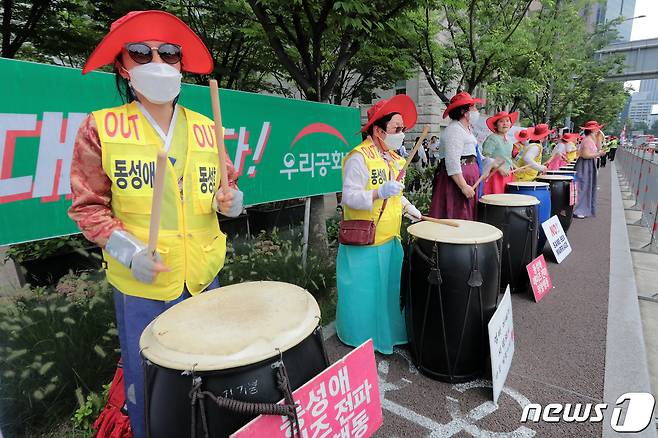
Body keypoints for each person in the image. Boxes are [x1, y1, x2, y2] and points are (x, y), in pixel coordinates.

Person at [67, 11, 243, 437]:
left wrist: (232, 203)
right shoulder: (101, 128)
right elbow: (87, 207)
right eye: (141, 53)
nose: (157, 63)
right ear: (123, 67)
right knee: (153, 385)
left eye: (169, 54)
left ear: (181, 65)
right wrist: (127, 252)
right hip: (142, 285)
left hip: (203, 277)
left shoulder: (207, 128)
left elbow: (226, 187)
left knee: (207, 372)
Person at [336, 94, 421, 354]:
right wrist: (378, 193)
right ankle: (359, 336)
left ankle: (388, 334)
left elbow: (396, 193)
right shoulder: (358, 157)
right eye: (396, 129)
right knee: (363, 293)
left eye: (403, 129)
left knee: (388, 291)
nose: (401, 134)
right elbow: (349, 197)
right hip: (364, 240)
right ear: (378, 129)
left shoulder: (395, 159)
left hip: (390, 237)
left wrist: (407, 207)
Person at [430, 92, 484, 220]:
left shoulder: (467, 130)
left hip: (469, 178)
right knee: (457, 214)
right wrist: (463, 186)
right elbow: (452, 162)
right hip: (457, 182)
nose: (476, 111)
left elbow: (473, 153)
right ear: (465, 112)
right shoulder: (454, 130)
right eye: (474, 107)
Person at [574, 121, 606, 218]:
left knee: (585, 186)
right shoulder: (587, 140)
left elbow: (598, 147)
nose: (598, 130)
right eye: (597, 128)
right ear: (592, 130)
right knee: (583, 186)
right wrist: (599, 154)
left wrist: (599, 139)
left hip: (587, 165)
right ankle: (579, 210)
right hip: (585, 165)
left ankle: (582, 209)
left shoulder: (590, 139)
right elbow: (585, 155)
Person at [481, 111, 518, 194]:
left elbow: (507, 157)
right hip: (495, 176)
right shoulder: (492, 138)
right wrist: (499, 168)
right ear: (496, 125)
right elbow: (485, 157)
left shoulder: (509, 140)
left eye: (507, 121)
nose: (505, 124)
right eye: (501, 121)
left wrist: (514, 166)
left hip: (508, 175)